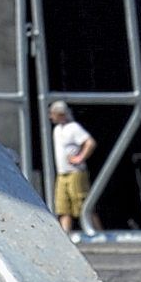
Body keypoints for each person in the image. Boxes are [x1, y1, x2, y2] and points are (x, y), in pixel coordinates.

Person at [49, 97, 94, 235]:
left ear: (61, 114)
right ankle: (65, 235)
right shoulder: (57, 130)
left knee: (83, 205)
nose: (50, 117)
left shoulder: (73, 128)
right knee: (63, 207)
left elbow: (89, 142)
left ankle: (96, 232)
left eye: (53, 113)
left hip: (75, 173)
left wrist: (80, 158)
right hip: (62, 173)